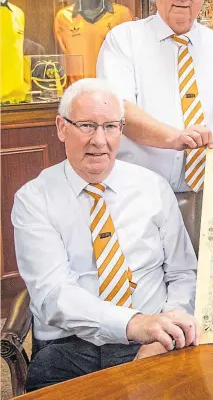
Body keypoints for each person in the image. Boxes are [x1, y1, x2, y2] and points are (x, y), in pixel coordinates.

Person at [12, 79, 199, 391]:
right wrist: (135, 325)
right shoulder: (34, 199)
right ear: (61, 127)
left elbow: (183, 274)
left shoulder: (152, 187)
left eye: (110, 126)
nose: (99, 140)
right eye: (86, 125)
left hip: (155, 338)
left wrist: (166, 332)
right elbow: (53, 295)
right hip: (69, 348)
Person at [97, 0, 213, 253]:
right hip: (141, 193)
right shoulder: (123, 40)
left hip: (210, 195)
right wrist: (175, 138)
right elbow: (118, 112)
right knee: (147, 281)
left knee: (203, 283)